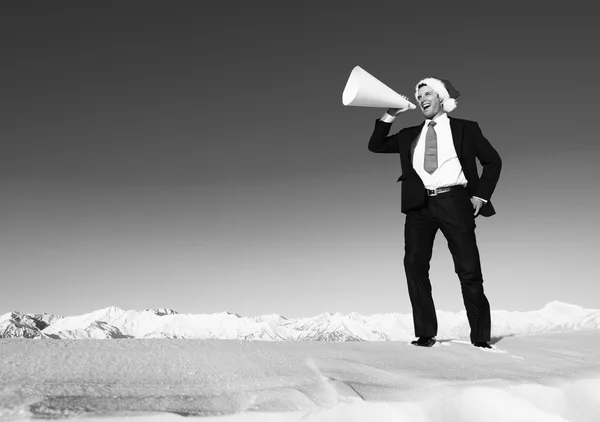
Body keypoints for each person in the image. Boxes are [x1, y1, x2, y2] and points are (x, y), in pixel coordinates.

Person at [367, 77, 502, 348]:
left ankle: (480, 338)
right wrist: (391, 113)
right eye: (419, 96)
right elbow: (376, 145)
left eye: (428, 93)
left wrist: (480, 196)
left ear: (441, 98)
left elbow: (492, 161)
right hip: (419, 207)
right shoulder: (409, 135)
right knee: (414, 265)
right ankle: (426, 333)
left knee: (468, 269)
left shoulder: (466, 129)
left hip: (455, 201)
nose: (421, 99)